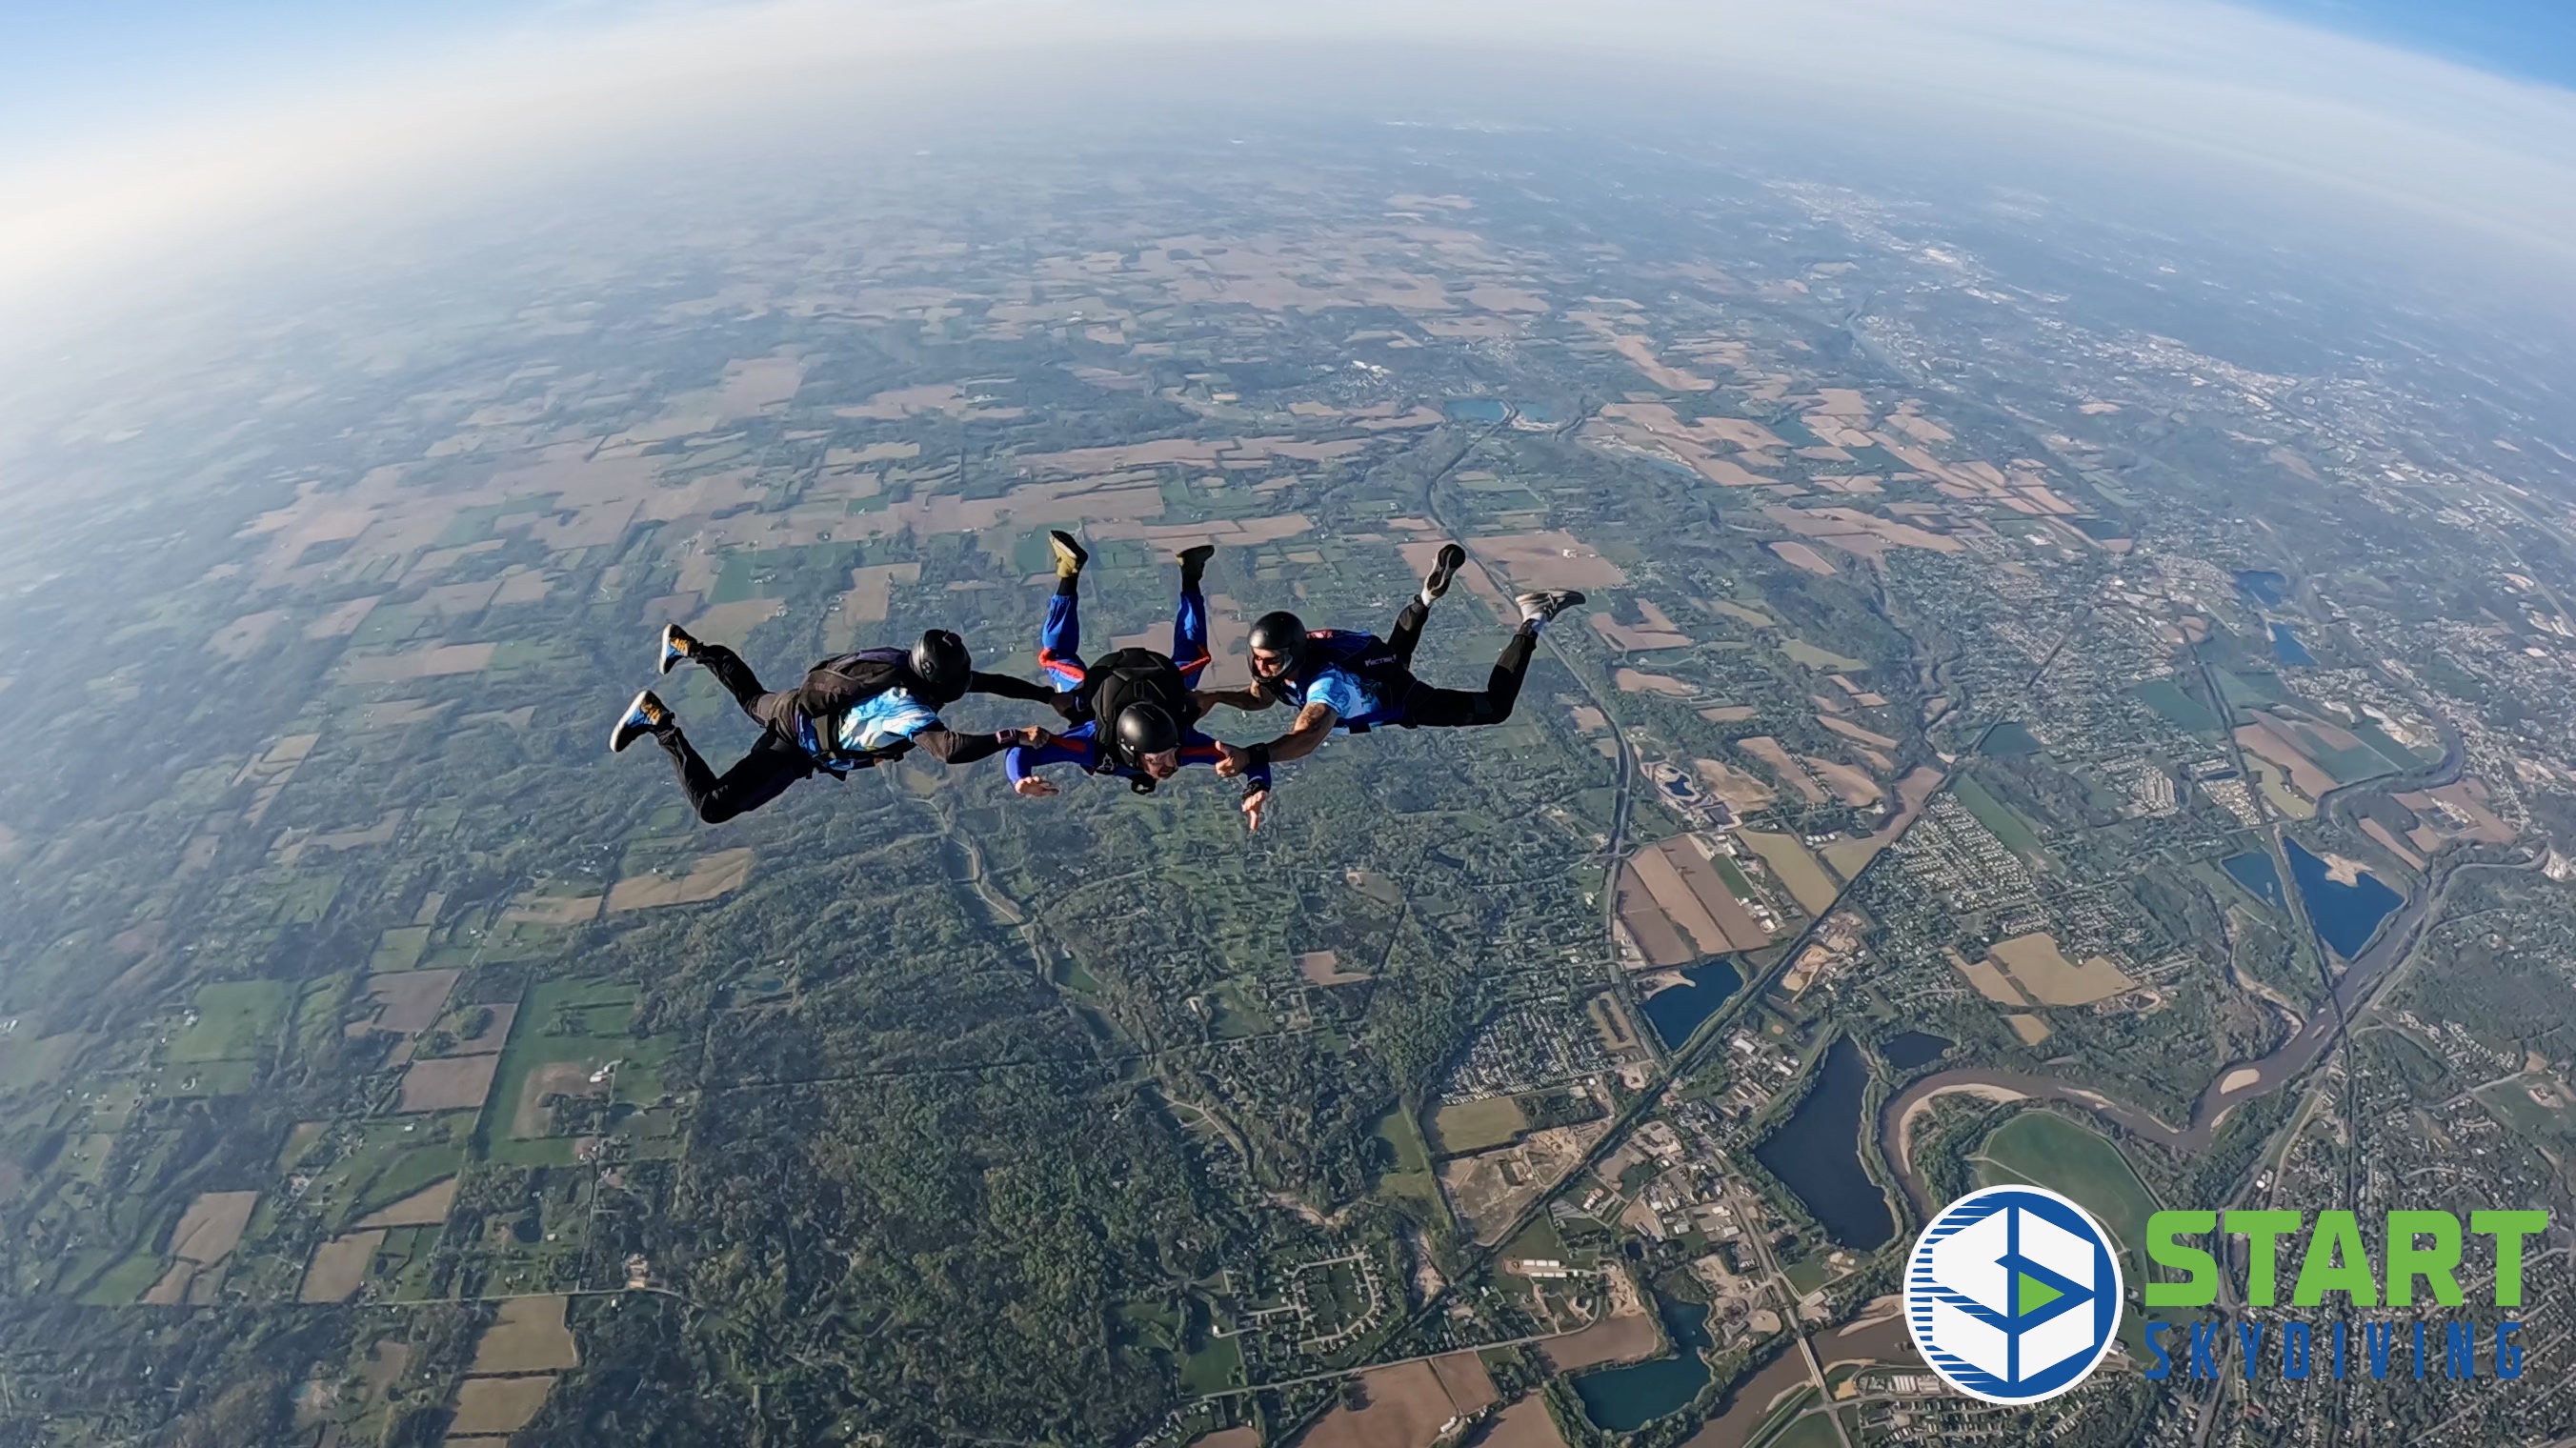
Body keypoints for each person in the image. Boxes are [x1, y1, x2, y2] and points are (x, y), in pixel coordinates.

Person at [1205, 543, 1582, 782]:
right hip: (1374, 671)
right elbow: (1260, 698)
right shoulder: (1278, 669)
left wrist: (1252, 755)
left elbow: (1307, 736)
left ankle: (1534, 618)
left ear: (1292, 655)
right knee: (1394, 659)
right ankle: (1425, 598)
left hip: (1402, 700)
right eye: (1256, 659)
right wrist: (1213, 697)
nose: (1261, 668)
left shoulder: (1327, 686)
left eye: (1269, 661)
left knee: (1495, 708)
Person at [610, 623, 1056, 823]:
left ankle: (688, 646)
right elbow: (949, 749)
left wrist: (1045, 696)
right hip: (794, 748)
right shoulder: (906, 706)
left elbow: (987, 682)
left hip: (795, 707)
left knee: (750, 698)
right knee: (713, 807)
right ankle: (658, 722)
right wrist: (1014, 736)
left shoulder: (901, 664)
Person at [1003, 531, 1275, 831]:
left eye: (1168, 755)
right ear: (1132, 751)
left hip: (1136, 686)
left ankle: (1076, 574)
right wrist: (1019, 779)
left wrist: (1020, 778)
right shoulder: (1093, 744)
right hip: (1119, 685)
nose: (1171, 764)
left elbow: (1022, 750)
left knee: (1061, 657)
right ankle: (1076, 573)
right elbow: (1020, 751)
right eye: (1159, 758)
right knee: (1057, 658)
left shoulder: (1173, 745)